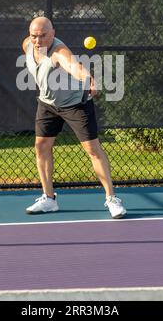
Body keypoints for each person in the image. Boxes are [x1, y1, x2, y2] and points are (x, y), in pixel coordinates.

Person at [22, 16, 126, 219]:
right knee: (41, 146)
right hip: (48, 104)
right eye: (34, 36)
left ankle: (112, 199)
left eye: (43, 36)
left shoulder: (59, 52)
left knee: (92, 149)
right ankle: (49, 199)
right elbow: (31, 49)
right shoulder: (27, 45)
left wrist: (88, 79)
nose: (38, 40)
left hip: (75, 104)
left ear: (53, 33)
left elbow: (73, 65)